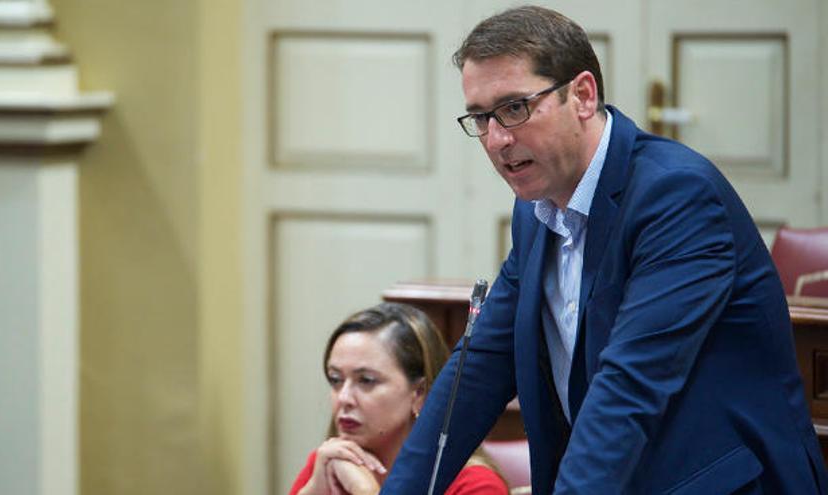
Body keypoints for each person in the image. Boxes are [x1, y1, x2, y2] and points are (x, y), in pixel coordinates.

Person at [383, 5, 828, 494]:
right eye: (481, 117)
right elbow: (481, 366)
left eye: (514, 108)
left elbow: (628, 387)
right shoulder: (535, 212)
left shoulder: (676, 197)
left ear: (583, 95)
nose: (497, 139)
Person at [288, 302, 507, 494]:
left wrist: (367, 492)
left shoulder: (475, 486)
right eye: (336, 379)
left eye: (366, 380)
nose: (344, 398)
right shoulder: (330, 462)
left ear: (420, 393)